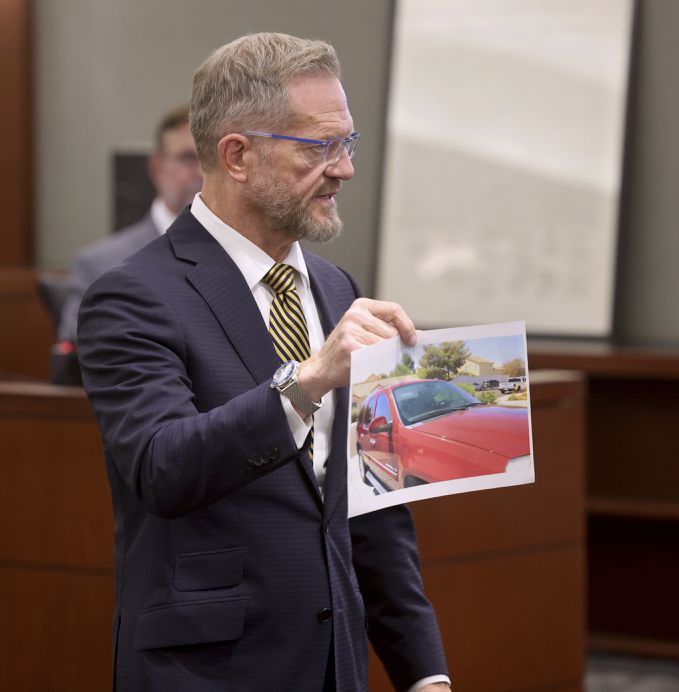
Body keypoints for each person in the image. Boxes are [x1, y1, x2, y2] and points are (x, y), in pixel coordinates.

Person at [77, 32, 450, 691]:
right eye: (319, 147)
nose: (344, 169)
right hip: (209, 671)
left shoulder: (340, 291)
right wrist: (305, 383)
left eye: (348, 143)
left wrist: (425, 674)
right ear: (238, 155)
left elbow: (376, 509)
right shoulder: (133, 295)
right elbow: (163, 467)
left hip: (335, 664)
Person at [53, 105, 202, 384]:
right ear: (157, 167)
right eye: (188, 158)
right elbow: (74, 367)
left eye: (209, 158)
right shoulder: (100, 264)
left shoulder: (249, 254)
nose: (202, 171)